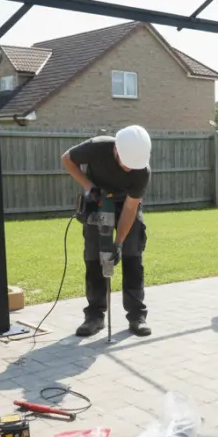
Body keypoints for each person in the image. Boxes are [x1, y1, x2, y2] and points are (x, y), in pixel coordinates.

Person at [61, 125, 152, 338]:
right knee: (94, 257)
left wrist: (118, 243)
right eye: (125, 164)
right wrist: (89, 187)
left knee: (132, 255)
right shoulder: (97, 147)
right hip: (97, 200)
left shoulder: (142, 171)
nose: (129, 169)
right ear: (115, 151)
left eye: (133, 166)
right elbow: (67, 159)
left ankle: (136, 315)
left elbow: (130, 208)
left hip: (126, 203)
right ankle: (94, 316)